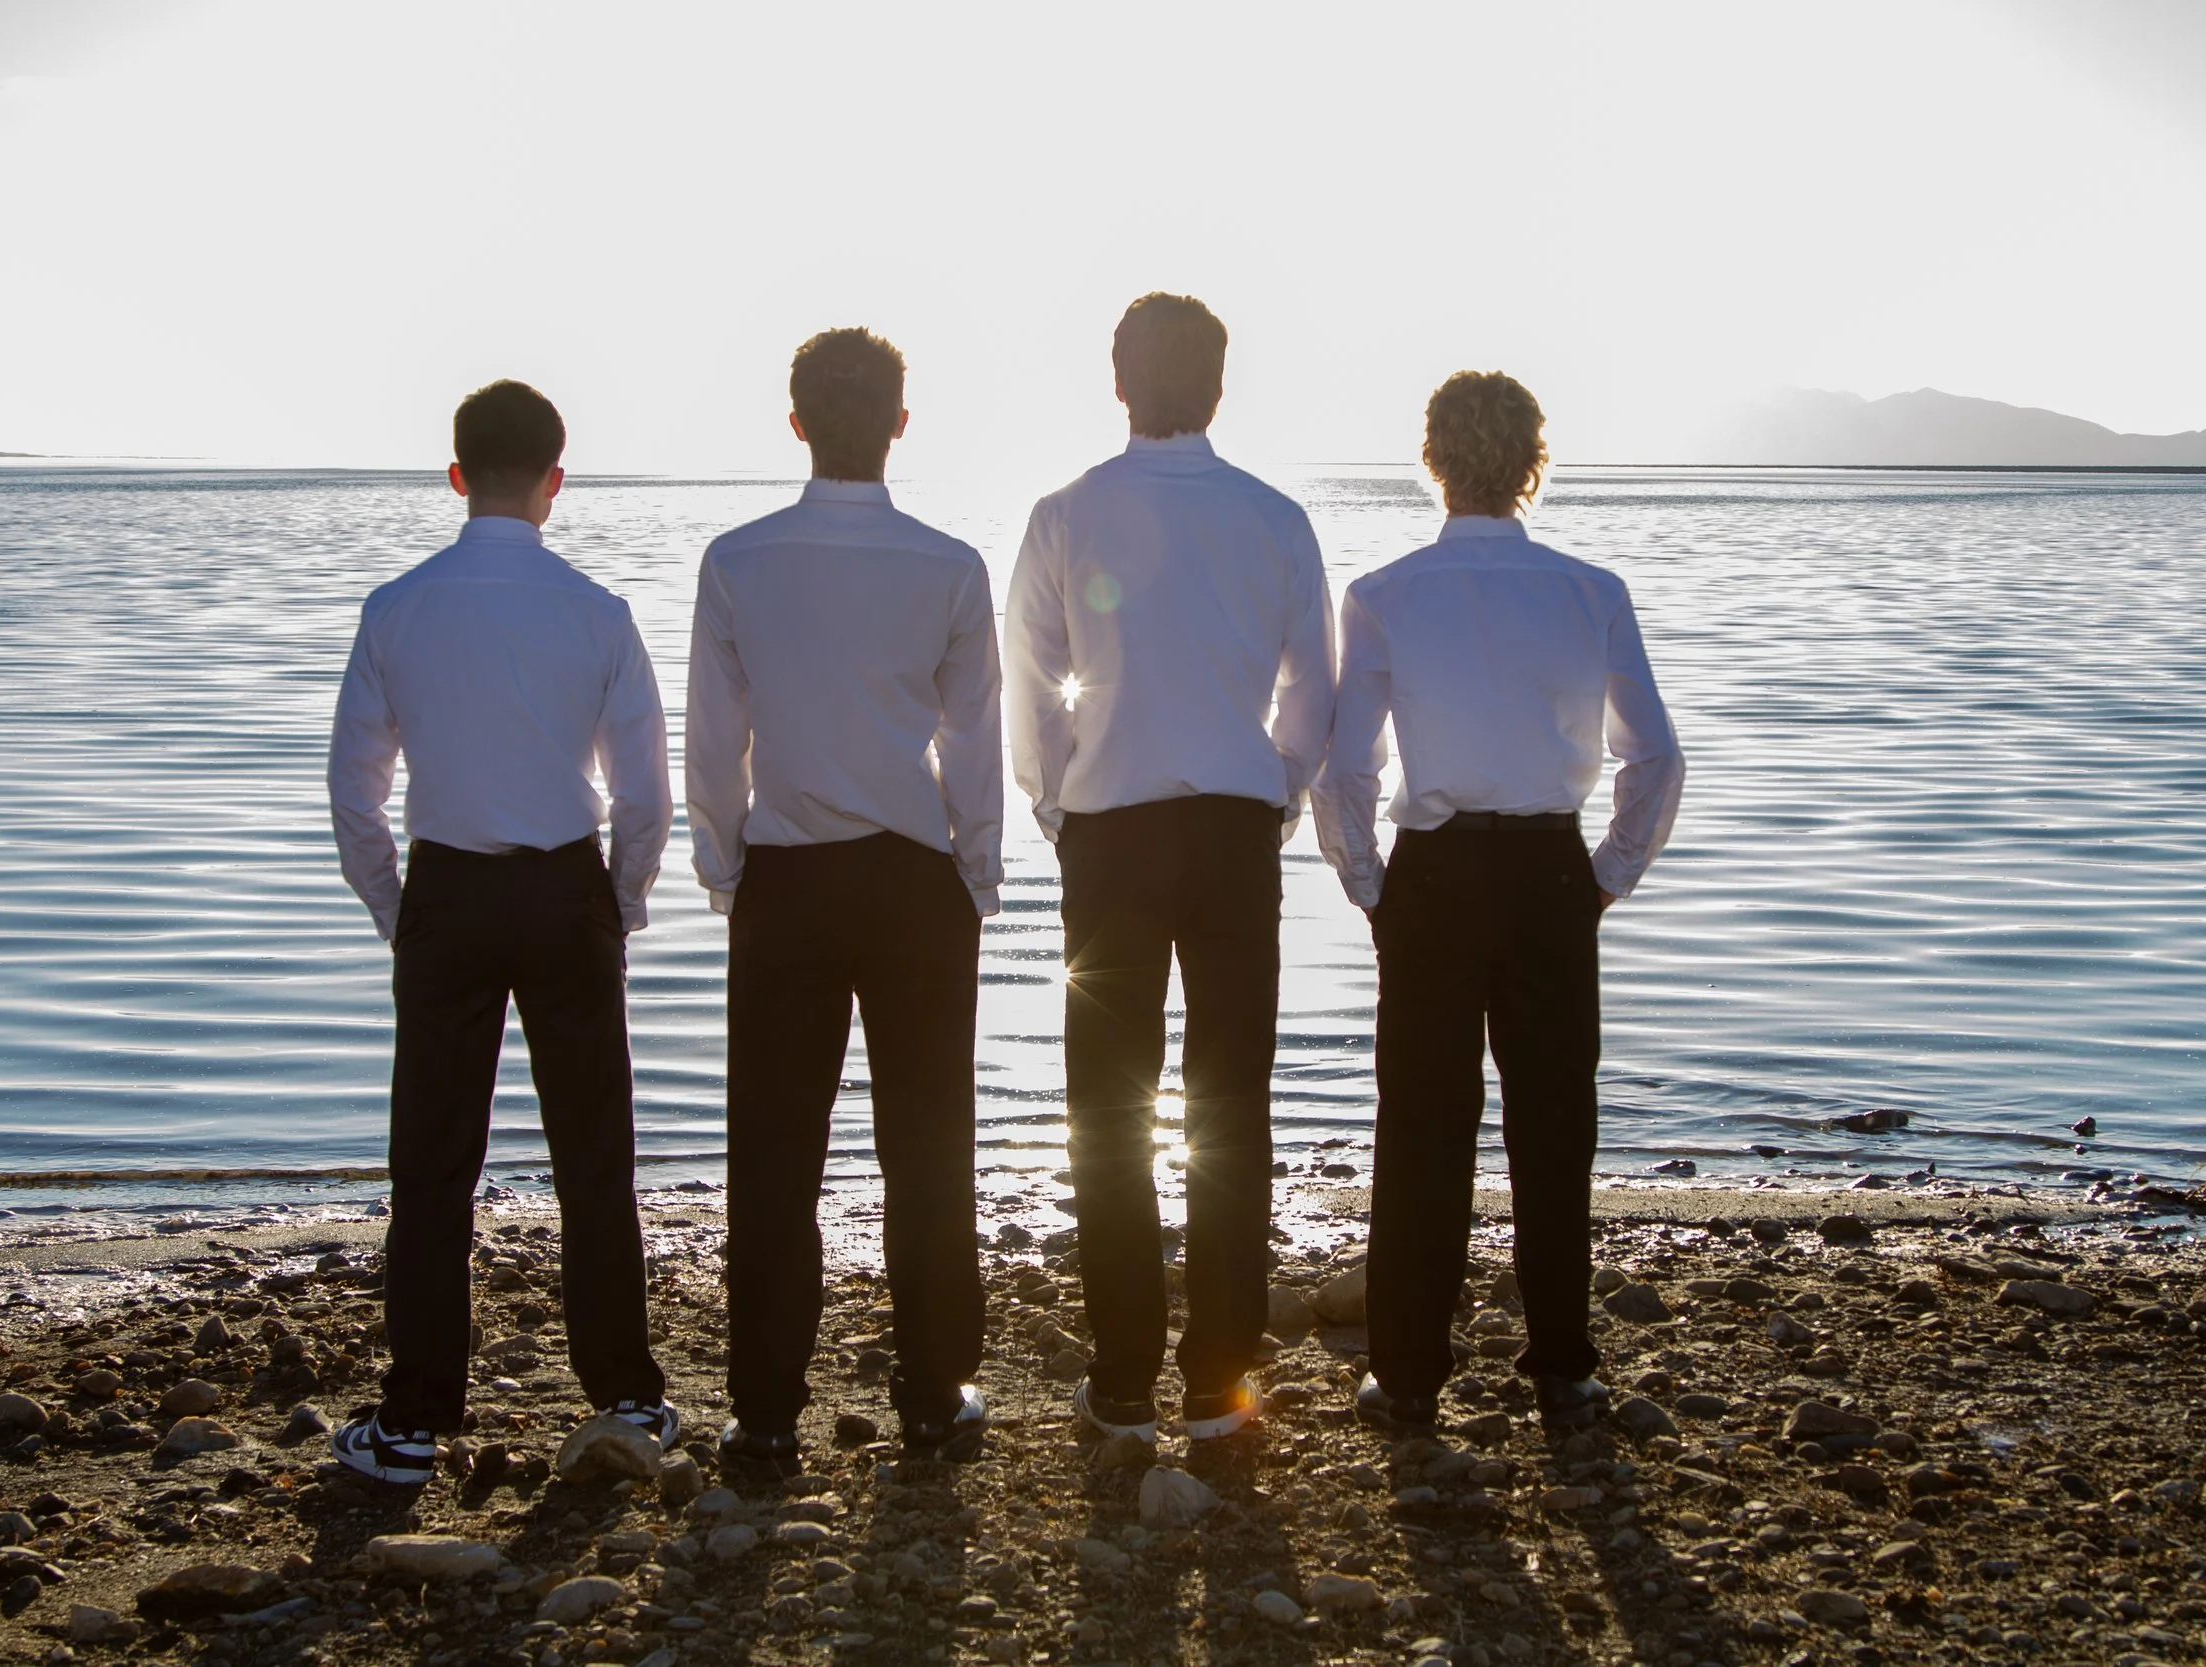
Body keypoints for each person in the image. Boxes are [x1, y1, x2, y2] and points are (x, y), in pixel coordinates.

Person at [1312, 371, 1684, 1436]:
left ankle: (1407, 1373)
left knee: (1422, 1127)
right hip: (1548, 872)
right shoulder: (1589, 591)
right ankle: (1563, 1367)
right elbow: (1655, 758)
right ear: (1532, 463)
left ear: (1433, 461)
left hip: (1433, 875)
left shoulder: (1384, 594)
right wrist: (1605, 875)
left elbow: (1343, 772)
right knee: (1554, 1123)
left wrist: (1371, 887)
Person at [326, 379, 677, 1483]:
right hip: (568, 890)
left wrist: (399, 909)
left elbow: (353, 794)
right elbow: (646, 795)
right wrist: (616, 904)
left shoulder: (396, 608)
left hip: (447, 894)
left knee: (433, 1165)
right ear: (554, 482)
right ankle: (627, 1393)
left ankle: (412, 1422)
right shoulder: (598, 612)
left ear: (456, 475)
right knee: (594, 1156)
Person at [1006, 293, 1335, 1445]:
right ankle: (1217, 1379)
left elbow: (1028, 683)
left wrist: (1060, 802)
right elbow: (1313, 689)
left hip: (1110, 836)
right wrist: (1279, 787)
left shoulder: (1063, 514)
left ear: (1119, 383)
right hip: (1235, 829)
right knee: (1230, 1097)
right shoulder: (1276, 519)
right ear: (1218, 386)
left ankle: (1122, 1377)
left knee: (1107, 1105)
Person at [687, 328, 1002, 1470]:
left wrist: (724, 867)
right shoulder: (949, 566)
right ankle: (933, 1391)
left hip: (788, 878)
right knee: (929, 1145)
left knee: (774, 1152)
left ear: (797, 423)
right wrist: (977, 872)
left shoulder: (738, 561)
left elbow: (713, 743)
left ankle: (768, 1410)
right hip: (915, 881)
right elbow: (975, 743)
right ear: (899, 425)